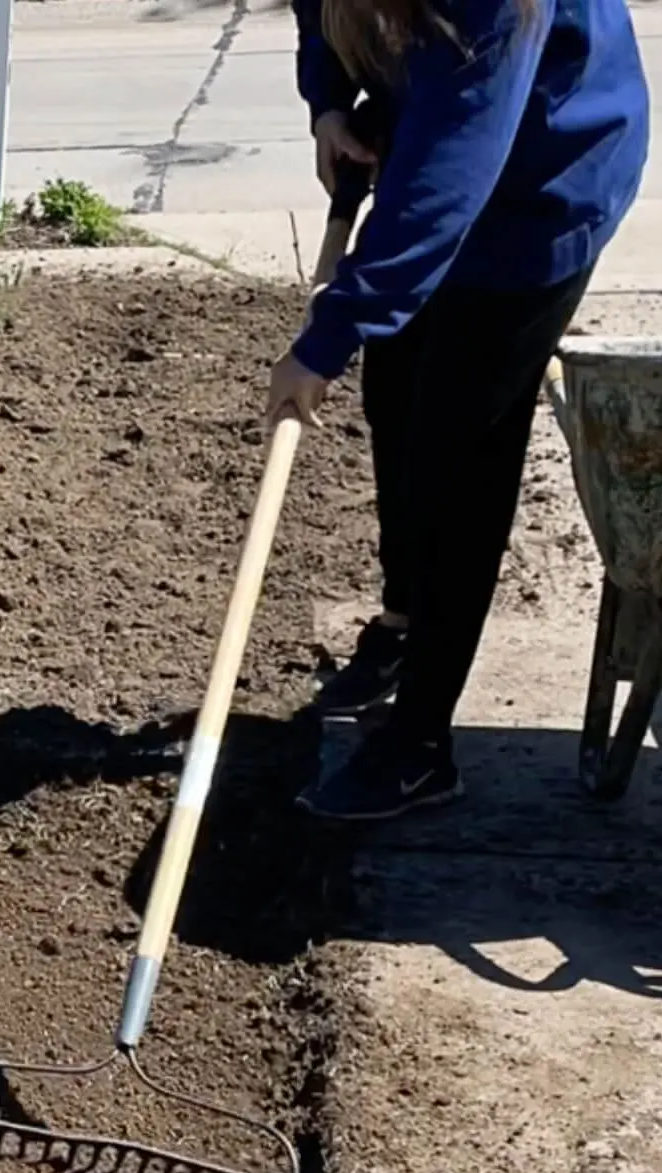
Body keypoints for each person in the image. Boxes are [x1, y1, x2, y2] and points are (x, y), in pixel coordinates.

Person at [272, 0, 649, 820]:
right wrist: (331, 101)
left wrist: (325, 338)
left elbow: (449, 171)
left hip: (544, 183)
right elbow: (322, 10)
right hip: (440, 132)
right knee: (395, 400)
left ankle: (418, 746)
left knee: (457, 453)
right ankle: (406, 623)